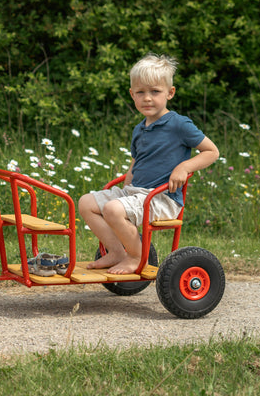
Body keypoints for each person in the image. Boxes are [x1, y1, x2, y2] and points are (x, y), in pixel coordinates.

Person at [78, 53, 219, 275]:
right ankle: (116, 251)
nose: (147, 98)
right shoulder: (139, 129)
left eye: (155, 91)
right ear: (132, 94)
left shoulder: (179, 124)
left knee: (113, 209)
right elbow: (136, 162)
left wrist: (184, 167)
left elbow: (212, 151)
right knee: (86, 202)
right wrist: (125, 188)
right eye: (141, 92)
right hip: (136, 192)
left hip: (162, 198)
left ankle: (136, 257)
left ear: (170, 93)